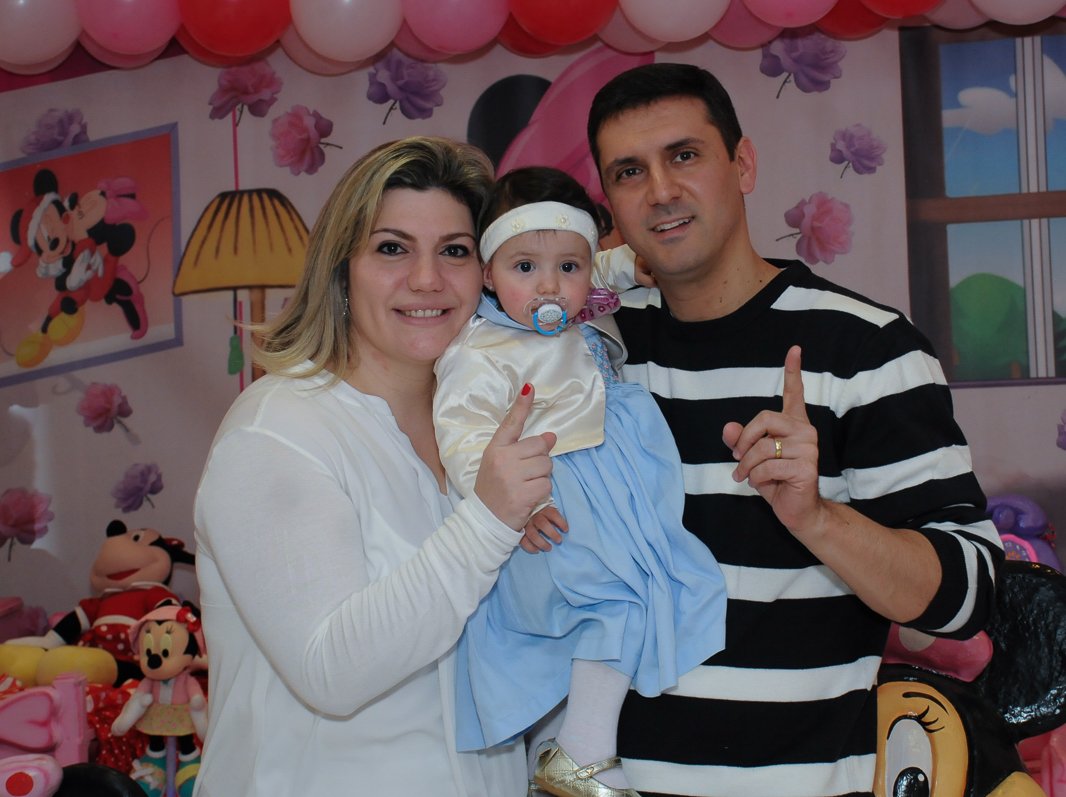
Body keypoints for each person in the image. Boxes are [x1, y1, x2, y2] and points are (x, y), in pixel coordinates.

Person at [585, 63, 1005, 797]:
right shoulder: (594, 357)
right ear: (610, 204)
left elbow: (968, 595)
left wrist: (818, 519)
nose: (660, 191)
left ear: (742, 163)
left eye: (684, 155)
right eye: (629, 171)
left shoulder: (868, 349)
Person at [191, 137, 557, 797]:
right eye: (392, 248)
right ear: (342, 269)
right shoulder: (277, 430)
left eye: (455, 250)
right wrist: (487, 521)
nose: (427, 279)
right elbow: (330, 670)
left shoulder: (478, 433)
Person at [434, 167, 726, 797]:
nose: (550, 286)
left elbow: (607, 266)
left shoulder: (580, 290)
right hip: (556, 496)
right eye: (524, 269)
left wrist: (632, 264)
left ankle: (566, 748)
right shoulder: (482, 350)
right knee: (610, 605)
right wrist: (512, 505)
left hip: (608, 482)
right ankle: (583, 753)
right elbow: (462, 437)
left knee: (639, 597)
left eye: (569, 268)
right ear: (487, 271)